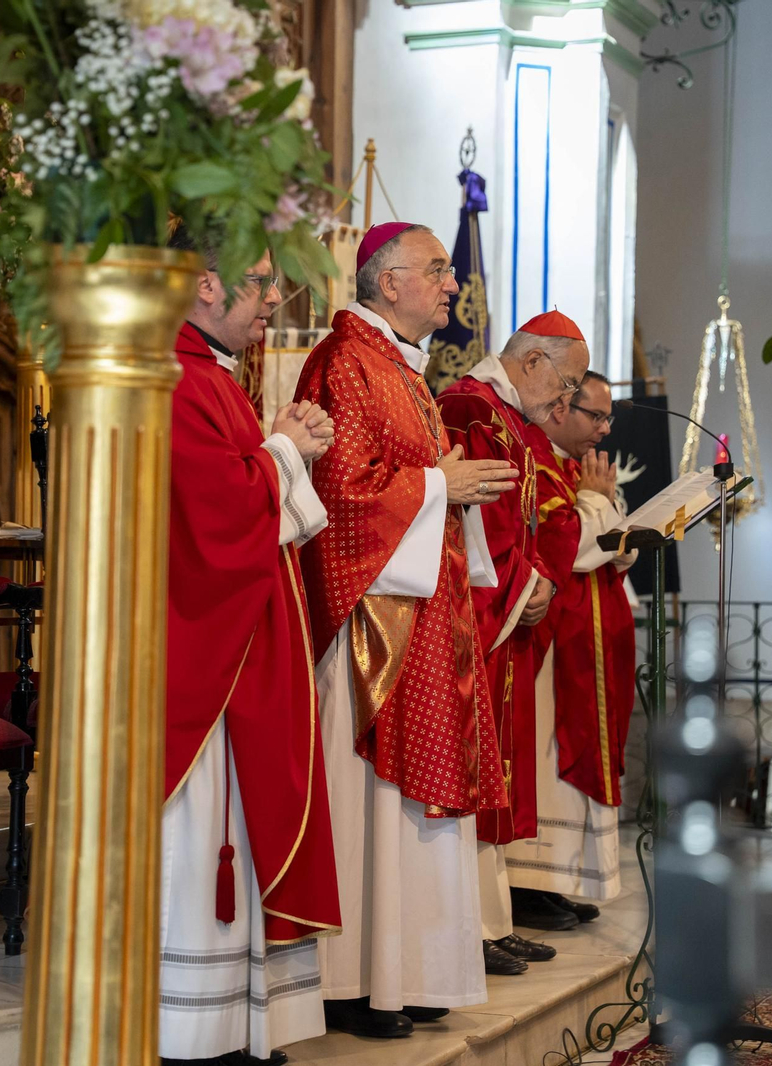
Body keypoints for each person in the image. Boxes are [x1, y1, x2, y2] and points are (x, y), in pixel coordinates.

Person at [294, 222, 519, 1039]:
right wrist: (439, 484)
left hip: (421, 608)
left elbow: (397, 479)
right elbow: (341, 495)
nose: (451, 284)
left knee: (412, 810)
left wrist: (452, 489)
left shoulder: (398, 366)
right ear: (386, 282)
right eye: (436, 270)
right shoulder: (344, 361)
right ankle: (355, 979)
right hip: (372, 626)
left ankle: (412, 972)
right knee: (373, 805)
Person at [161, 227, 342, 1066]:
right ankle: (193, 1026)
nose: (275, 298)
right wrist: (285, 451)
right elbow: (216, 516)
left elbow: (248, 490)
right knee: (205, 834)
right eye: (261, 282)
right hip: (205, 653)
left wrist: (281, 444)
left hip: (244, 640)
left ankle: (232, 1020)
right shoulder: (177, 379)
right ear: (204, 283)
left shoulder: (211, 377)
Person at [436, 311, 593, 975]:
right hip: (473, 611)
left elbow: (528, 520)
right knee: (471, 772)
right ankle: (469, 927)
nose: (567, 401)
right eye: (567, 384)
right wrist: (525, 579)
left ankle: (493, 919)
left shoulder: (510, 416)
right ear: (531, 363)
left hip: (504, 607)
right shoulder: (469, 406)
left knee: (494, 772)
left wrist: (540, 580)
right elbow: (476, 518)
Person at [505, 370, 636, 928]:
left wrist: (616, 528)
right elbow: (569, 547)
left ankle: (559, 881)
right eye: (595, 416)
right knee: (547, 767)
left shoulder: (580, 472)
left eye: (610, 418)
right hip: (548, 648)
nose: (604, 431)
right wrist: (599, 509)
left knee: (569, 773)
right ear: (562, 408)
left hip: (588, 645)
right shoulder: (534, 460)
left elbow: (607, 543)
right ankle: (528, 882)